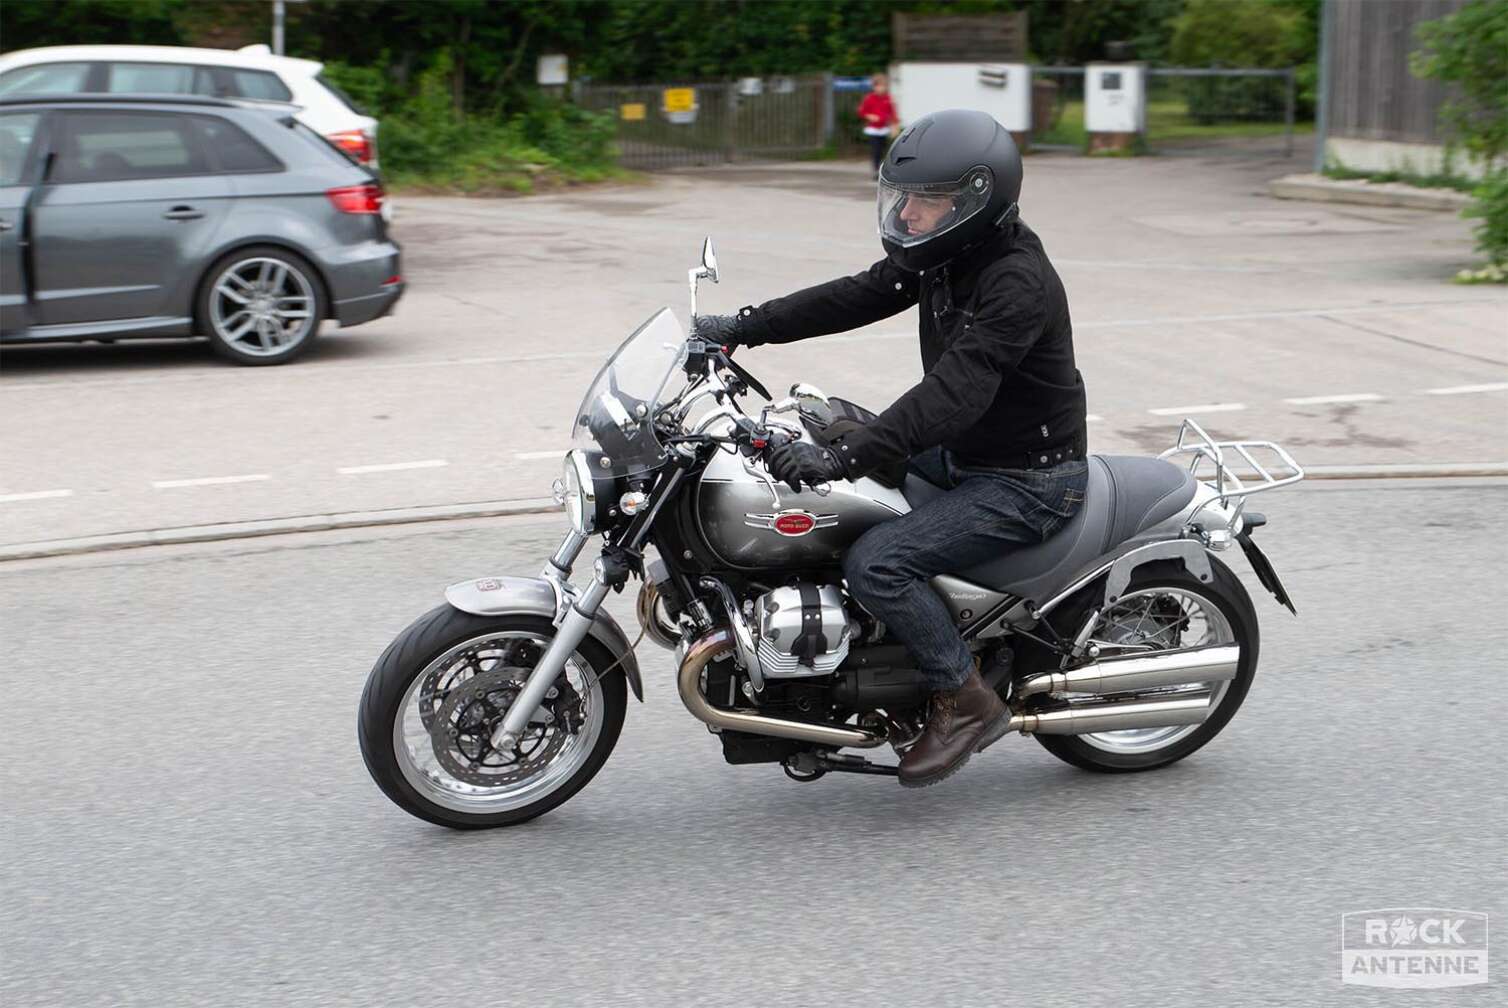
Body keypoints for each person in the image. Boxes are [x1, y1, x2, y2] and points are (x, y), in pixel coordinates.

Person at [694, 109, 1089, 788]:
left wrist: (844, 460)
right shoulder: (947, 255)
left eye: (926, 202)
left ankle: (965, 699)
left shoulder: (1014, 282)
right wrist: (743, 327)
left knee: (876, 561)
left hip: (1025, 479)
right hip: (967, 450)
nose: (907, 215)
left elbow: (954, 395)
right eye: (902, 199)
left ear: (975, 199)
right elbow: (855, 295)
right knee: (823, 429)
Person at [857, 73, 898, 178]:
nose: (881, 88)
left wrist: (894, 126)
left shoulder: (888, 98)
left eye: (884, 86)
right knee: (876, 150)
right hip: (873, 130)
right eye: (879, 86)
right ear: (874, 87)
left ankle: (883, 170)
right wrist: (870, 116)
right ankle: (875, 171)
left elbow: (892, 113)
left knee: (885, 151)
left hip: (884, 129)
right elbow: (861, 112)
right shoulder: (869, 98)